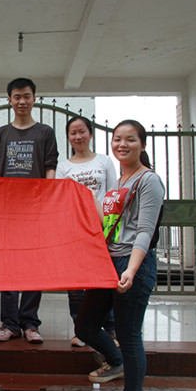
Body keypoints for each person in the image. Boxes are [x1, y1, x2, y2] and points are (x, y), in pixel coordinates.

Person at [74, 119, 164, 391]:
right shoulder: (120, 181)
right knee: (85, 325)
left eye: (130, 139)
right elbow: (109, 224)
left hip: (132, 264)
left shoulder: (148, 180)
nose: (122, 145)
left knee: (128, 335)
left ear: (142, 144)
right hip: (108, 263)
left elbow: (144, 231)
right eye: (117, 139)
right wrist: (87, 198)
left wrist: (132, 269)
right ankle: (116, 362)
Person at [0, 77, 58, 344]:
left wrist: (47, 202)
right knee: (7, 266)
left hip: (35, 210)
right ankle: (9, 324)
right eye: (17, 96)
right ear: (10, 100)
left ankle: (30, 323)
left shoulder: (45, 132)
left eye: (26, 96)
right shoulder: (1, 134)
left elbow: (50, 167)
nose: (22, 101)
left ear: (34, 99)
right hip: (7, 210)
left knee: (33, 266)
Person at [55, 116, 117, 347]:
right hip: (76, 230)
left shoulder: (104, 161)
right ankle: (80, 329)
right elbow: (61, 199)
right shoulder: (64, 167)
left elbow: (112, 194)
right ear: (68, 137)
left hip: (101, 229)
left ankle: (109, 329)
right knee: (76, 285)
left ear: (90, 133)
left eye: (82, 131)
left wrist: (110, 227)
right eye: (73, 133)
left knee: (104, 281)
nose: (78, 137)